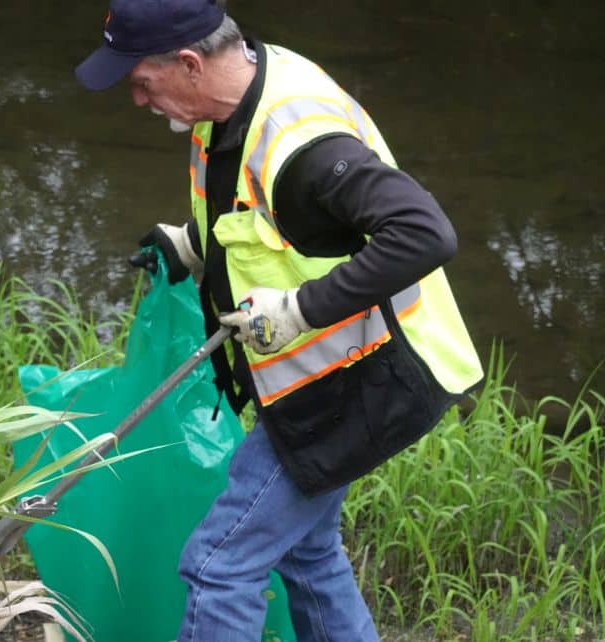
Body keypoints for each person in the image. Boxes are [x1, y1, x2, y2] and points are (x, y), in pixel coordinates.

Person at [75, 0, 484, 640]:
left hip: (365, 382)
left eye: (141, 82)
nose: (137, 99)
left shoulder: (305, 142)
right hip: (326, 380)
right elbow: (278, 222)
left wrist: (300, 310)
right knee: (309, 553)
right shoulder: (238, 93)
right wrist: (195, 245)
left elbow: (425, 233)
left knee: (218, 565)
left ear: (187, 62)